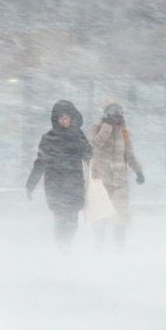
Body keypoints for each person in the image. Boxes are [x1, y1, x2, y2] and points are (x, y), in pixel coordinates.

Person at [26, 100, 92, 248]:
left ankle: (66, 246)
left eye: (68, 117)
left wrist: (80, 138)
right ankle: (61, 248)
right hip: (56, 185)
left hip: (74, 184)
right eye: (62, 117)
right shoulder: (49, 138)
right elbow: (40, 162)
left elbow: (88, 155)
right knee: (61, 219)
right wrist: (31, 184)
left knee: (73, 220)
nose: (65, 120)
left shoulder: (77, 136)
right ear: (57, 119)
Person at [89, 99, 144, 249]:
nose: (117, 116)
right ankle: (98, 247)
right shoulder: (97, 128)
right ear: (106, 114)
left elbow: (129, 154)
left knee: (121, 218)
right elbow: (95, 144)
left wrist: (138, 170)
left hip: (120, 183)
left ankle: (120, 249)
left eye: (119, 113)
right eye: (113, 113)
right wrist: (106, 127)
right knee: (100, 217)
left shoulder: (124, 132)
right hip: (101, 181)